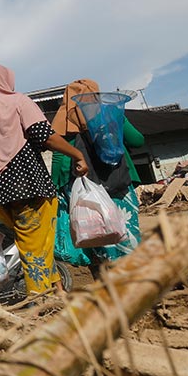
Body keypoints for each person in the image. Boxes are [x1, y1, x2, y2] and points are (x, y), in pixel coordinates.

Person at [0, 64, 89, 296]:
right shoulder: (18, 102)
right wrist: (77, 154)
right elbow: (45, 137)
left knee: (35, 244)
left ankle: (57, 290)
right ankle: (38, 303)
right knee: (34, 248)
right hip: (30, 191)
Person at [51, 79, 144, 270]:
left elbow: (58, 163)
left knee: (95, 237)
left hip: (83, 191)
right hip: (119, 184)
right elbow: (137, 141)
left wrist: (58, 189)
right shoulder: (110, 114)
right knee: (126, 236)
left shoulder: (61, 123)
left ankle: (108, 283)